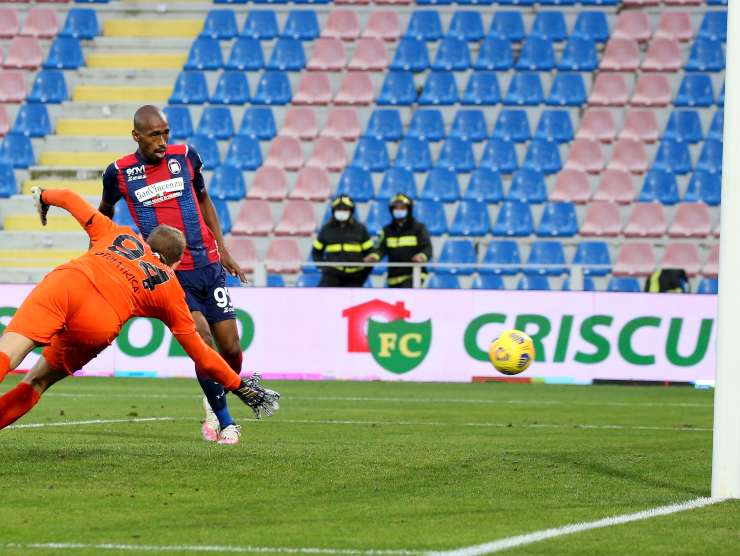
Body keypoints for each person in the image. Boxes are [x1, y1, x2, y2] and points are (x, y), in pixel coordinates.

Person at [0, 187, 279, 433]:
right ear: (176, 263)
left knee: (9, 352)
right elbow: (203, 355)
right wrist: (237, 384)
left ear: (148, 242)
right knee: (37, 381)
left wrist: (43, 196)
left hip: (67, 284)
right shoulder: (170, 287)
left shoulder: (117, 233)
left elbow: (71, 198)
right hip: (100, 320)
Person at [97, 105, 245, 444]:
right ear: (136, 136)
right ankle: (226, 422)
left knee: (232, 349)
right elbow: (104, 214)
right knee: (202, 340)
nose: (163, 141)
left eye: (166, 133)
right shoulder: (118, 172)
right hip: (171, 276)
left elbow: (205, 201)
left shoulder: (186, 156)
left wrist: (222, 249)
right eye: (154, 135)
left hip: (208, 267)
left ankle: (213, 398)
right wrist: (105, 251)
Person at [364, 193, 433, 288]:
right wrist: (374, 256)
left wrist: (421, 256)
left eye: (402, 208)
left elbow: (427, 248)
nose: (399, 210)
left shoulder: (419, 228)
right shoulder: (387, 230)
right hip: (393, 278)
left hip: (413, 275)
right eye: (396, 208)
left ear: (409, 209)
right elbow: (380, 248)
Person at [312, 195, 374, 287]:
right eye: (338, 209)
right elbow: (316, 252)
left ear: (351, 211)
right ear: (333, 211)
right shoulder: (326, 229)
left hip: (355, 277)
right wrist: (324, 268)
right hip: (331, 276)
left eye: (345, 209)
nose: (341, 211)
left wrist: (362, 274)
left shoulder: (360, 229)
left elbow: (370, 254)